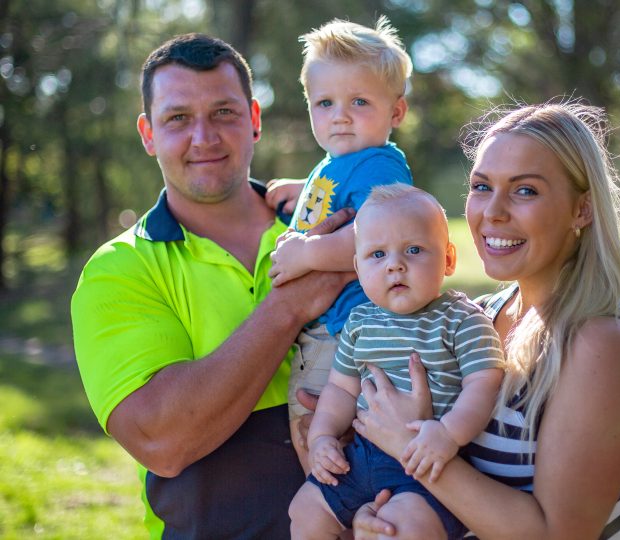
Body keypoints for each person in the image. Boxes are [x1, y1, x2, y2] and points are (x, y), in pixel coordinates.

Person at [70, 33, 353, 539]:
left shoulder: (332, 226)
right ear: (148, 133)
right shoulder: (119, 269)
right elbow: (163, 440)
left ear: (254, 120)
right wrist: (287, 307)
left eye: (223, 112)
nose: (204, 137)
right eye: (178, 118)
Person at [350, 102, 620, 540]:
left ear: (582, 210)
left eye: (525, 190)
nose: (492, 212)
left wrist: (409, 447)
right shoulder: (482, 314)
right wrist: (379, 515)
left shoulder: (600, 342)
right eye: (481, 186)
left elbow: (558, 534)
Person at [288, 184, 505, 540]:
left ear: (448, 259)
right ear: (358, 268)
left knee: (400, 529)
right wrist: (322, 436)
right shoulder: (359, 323)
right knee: (305, 510)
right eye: (377, 255)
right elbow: (341, 388)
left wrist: (449, 434)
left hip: (427, 464)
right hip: (359, 457)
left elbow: (484, 382)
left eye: (414, 250)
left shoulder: (460, 319)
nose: (395, 265)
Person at [263, 16, 415, 470]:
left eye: (359, 102)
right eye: (324, 103)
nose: (339, 115)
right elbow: (336, 208)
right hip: (333, 331)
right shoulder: (340, 162)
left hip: (348, 331)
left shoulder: (379, 167)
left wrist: (306, 254)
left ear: (397, 112)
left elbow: (378, 236)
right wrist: (303, 193)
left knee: (319, 444)